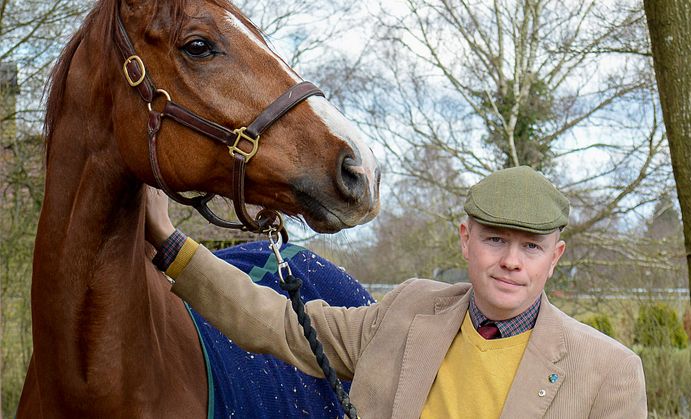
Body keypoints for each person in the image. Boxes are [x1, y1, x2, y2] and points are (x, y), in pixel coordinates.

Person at [146, 166, 647, 418]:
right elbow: (282, 327)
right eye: (495, 239)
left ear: (554, 257)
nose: (511, 261)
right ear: (466, 239)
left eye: (531, 247)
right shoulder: (409, 311)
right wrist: (172, 245)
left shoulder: (608, 372)